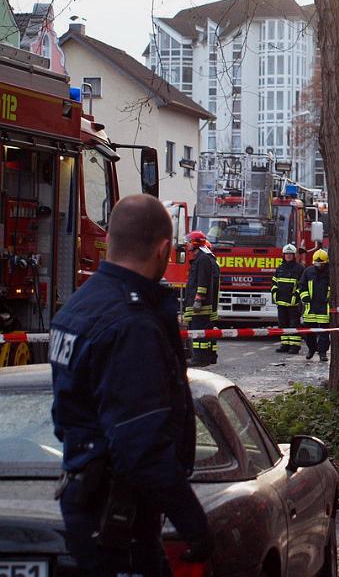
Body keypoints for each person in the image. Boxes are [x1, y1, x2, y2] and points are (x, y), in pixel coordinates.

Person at [50, 194, 211, 575]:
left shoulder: (78, 306)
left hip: (90, 504)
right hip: (117, 520)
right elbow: (141, 444)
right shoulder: (130, 323)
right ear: (163, 249)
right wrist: (193, 523)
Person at [184, 229, 221, 366]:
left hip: (200, 305)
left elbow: (202, 282)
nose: (186, 244)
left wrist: (198, 299)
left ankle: (199, 359)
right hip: (198, 303)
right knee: (200, 331)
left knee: (198, 332)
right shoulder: (201, 258)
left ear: (195, 243)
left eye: (188, 242)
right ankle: (204, 358)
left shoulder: (203, 259)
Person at [271, 243, 305, 354]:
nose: (288, 256)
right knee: (283, 324)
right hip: (281, 302)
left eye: (290, 254)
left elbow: (302, 285)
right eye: (287, 254)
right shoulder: (280, 268)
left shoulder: (300, 269)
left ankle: (294, 346)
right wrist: (275, 293)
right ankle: (285, 344)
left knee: (294, 324)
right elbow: (274, 283)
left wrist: (296, 296)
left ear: (294, 255)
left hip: (293, 304)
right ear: (283, 255)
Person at [300, 249, 331, 362]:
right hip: (310, 306)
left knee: (324, 332)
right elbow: (302, 286)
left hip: (324, 306)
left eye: (321, 264)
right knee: (309, 332)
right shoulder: (308, 272)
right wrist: (305, 297)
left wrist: (329, 297)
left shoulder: (330, 272)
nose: (319, 266)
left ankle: (322, 353)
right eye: (317, 264)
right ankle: (311, 349)